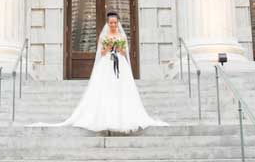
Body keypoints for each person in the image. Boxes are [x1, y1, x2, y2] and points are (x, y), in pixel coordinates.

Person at [33, 11, 167, 133]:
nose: (113, 25)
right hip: (106, 64)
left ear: (118, 23)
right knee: (106, 89)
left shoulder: (121, 36)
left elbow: (124, 52)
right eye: (111, 23)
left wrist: (119, 49)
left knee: (122, 89)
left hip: (120, 64)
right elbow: (101, 53)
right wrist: (109, 47)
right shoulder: (104, 36)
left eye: (115, 22)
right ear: (108, 24)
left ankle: (122, 117)